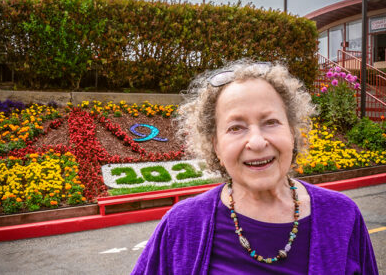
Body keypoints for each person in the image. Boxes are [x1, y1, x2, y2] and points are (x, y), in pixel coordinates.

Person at [131, 60, 378, 274]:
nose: (258, 142)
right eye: (236, 127)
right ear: (215, 145)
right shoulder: (181, 226)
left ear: (292, 132)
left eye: (271, 122)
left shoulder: (343, 216)